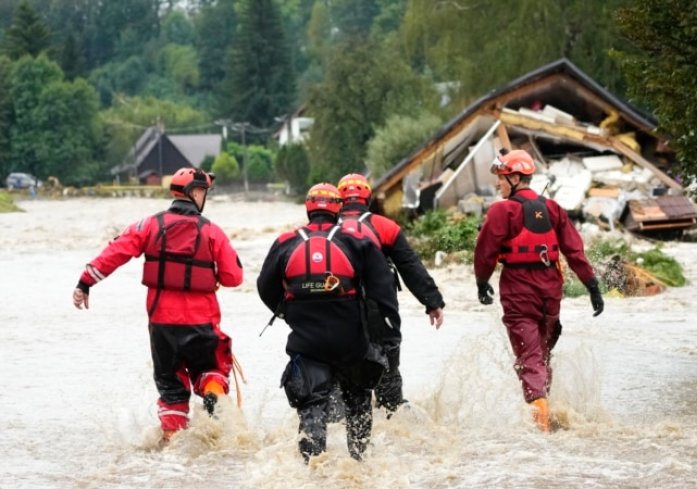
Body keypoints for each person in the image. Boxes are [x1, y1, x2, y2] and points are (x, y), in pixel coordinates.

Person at [72, 167, 244, 442]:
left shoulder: (148, 225)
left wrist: (85, 282)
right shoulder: (212, 231)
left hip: (162, 326)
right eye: (204, 193)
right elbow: (234, 277)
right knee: (211, 371)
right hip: (202, 323)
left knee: (171, 390)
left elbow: (116, 251)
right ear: (196, 193)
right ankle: (211, 391)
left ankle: (172, 448)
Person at [257, 183, 400, 462]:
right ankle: (360, 464)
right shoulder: (357, 241)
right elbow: (382, 291)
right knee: (358, 403)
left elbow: (265, 287)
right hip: (352, 342)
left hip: (306, 342)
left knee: (312, 407)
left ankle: (314, 468)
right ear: (338, 208)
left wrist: (288, 312)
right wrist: (385, 334)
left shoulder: (286, 241)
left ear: (308, 208)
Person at [473, 149, 604, 433]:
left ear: (517, 177)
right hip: (551, 291)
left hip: (519, 290)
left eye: (502, 178)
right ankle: (548, 412)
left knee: (529, 358)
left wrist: (481, 282)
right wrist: (592, 285)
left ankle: (541, 434)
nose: (498, 184)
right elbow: (574, 250)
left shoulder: (502, 210)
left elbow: (485, 252)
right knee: (542, 354)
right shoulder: (554, 208)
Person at [336, 173, 445, 415]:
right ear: (368, 198)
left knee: (339, 376)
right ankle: (391, 414)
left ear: (340, 199)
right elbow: (411, 267)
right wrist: (433, 302)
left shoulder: (328, 229)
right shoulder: (386, 227)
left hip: (339, 312)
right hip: (380, 312)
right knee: (388, 374)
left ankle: (339, 424)